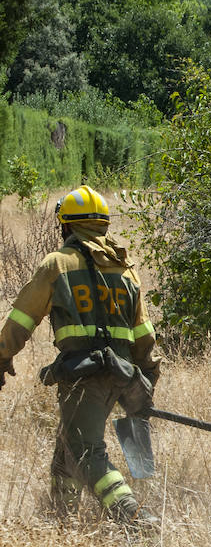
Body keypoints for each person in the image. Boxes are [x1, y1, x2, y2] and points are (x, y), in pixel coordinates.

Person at [0, 186, 160, 526]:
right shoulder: (125, 270)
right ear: (102, 225)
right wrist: (144, 384)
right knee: (67, 450)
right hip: (122, 375)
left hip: (83, 377)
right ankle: (63, 519)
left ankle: (134, 516)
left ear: (66, 226)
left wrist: (2, 355)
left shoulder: (58, 264)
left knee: (87, 450)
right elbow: (145, 337)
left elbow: (22, 319)